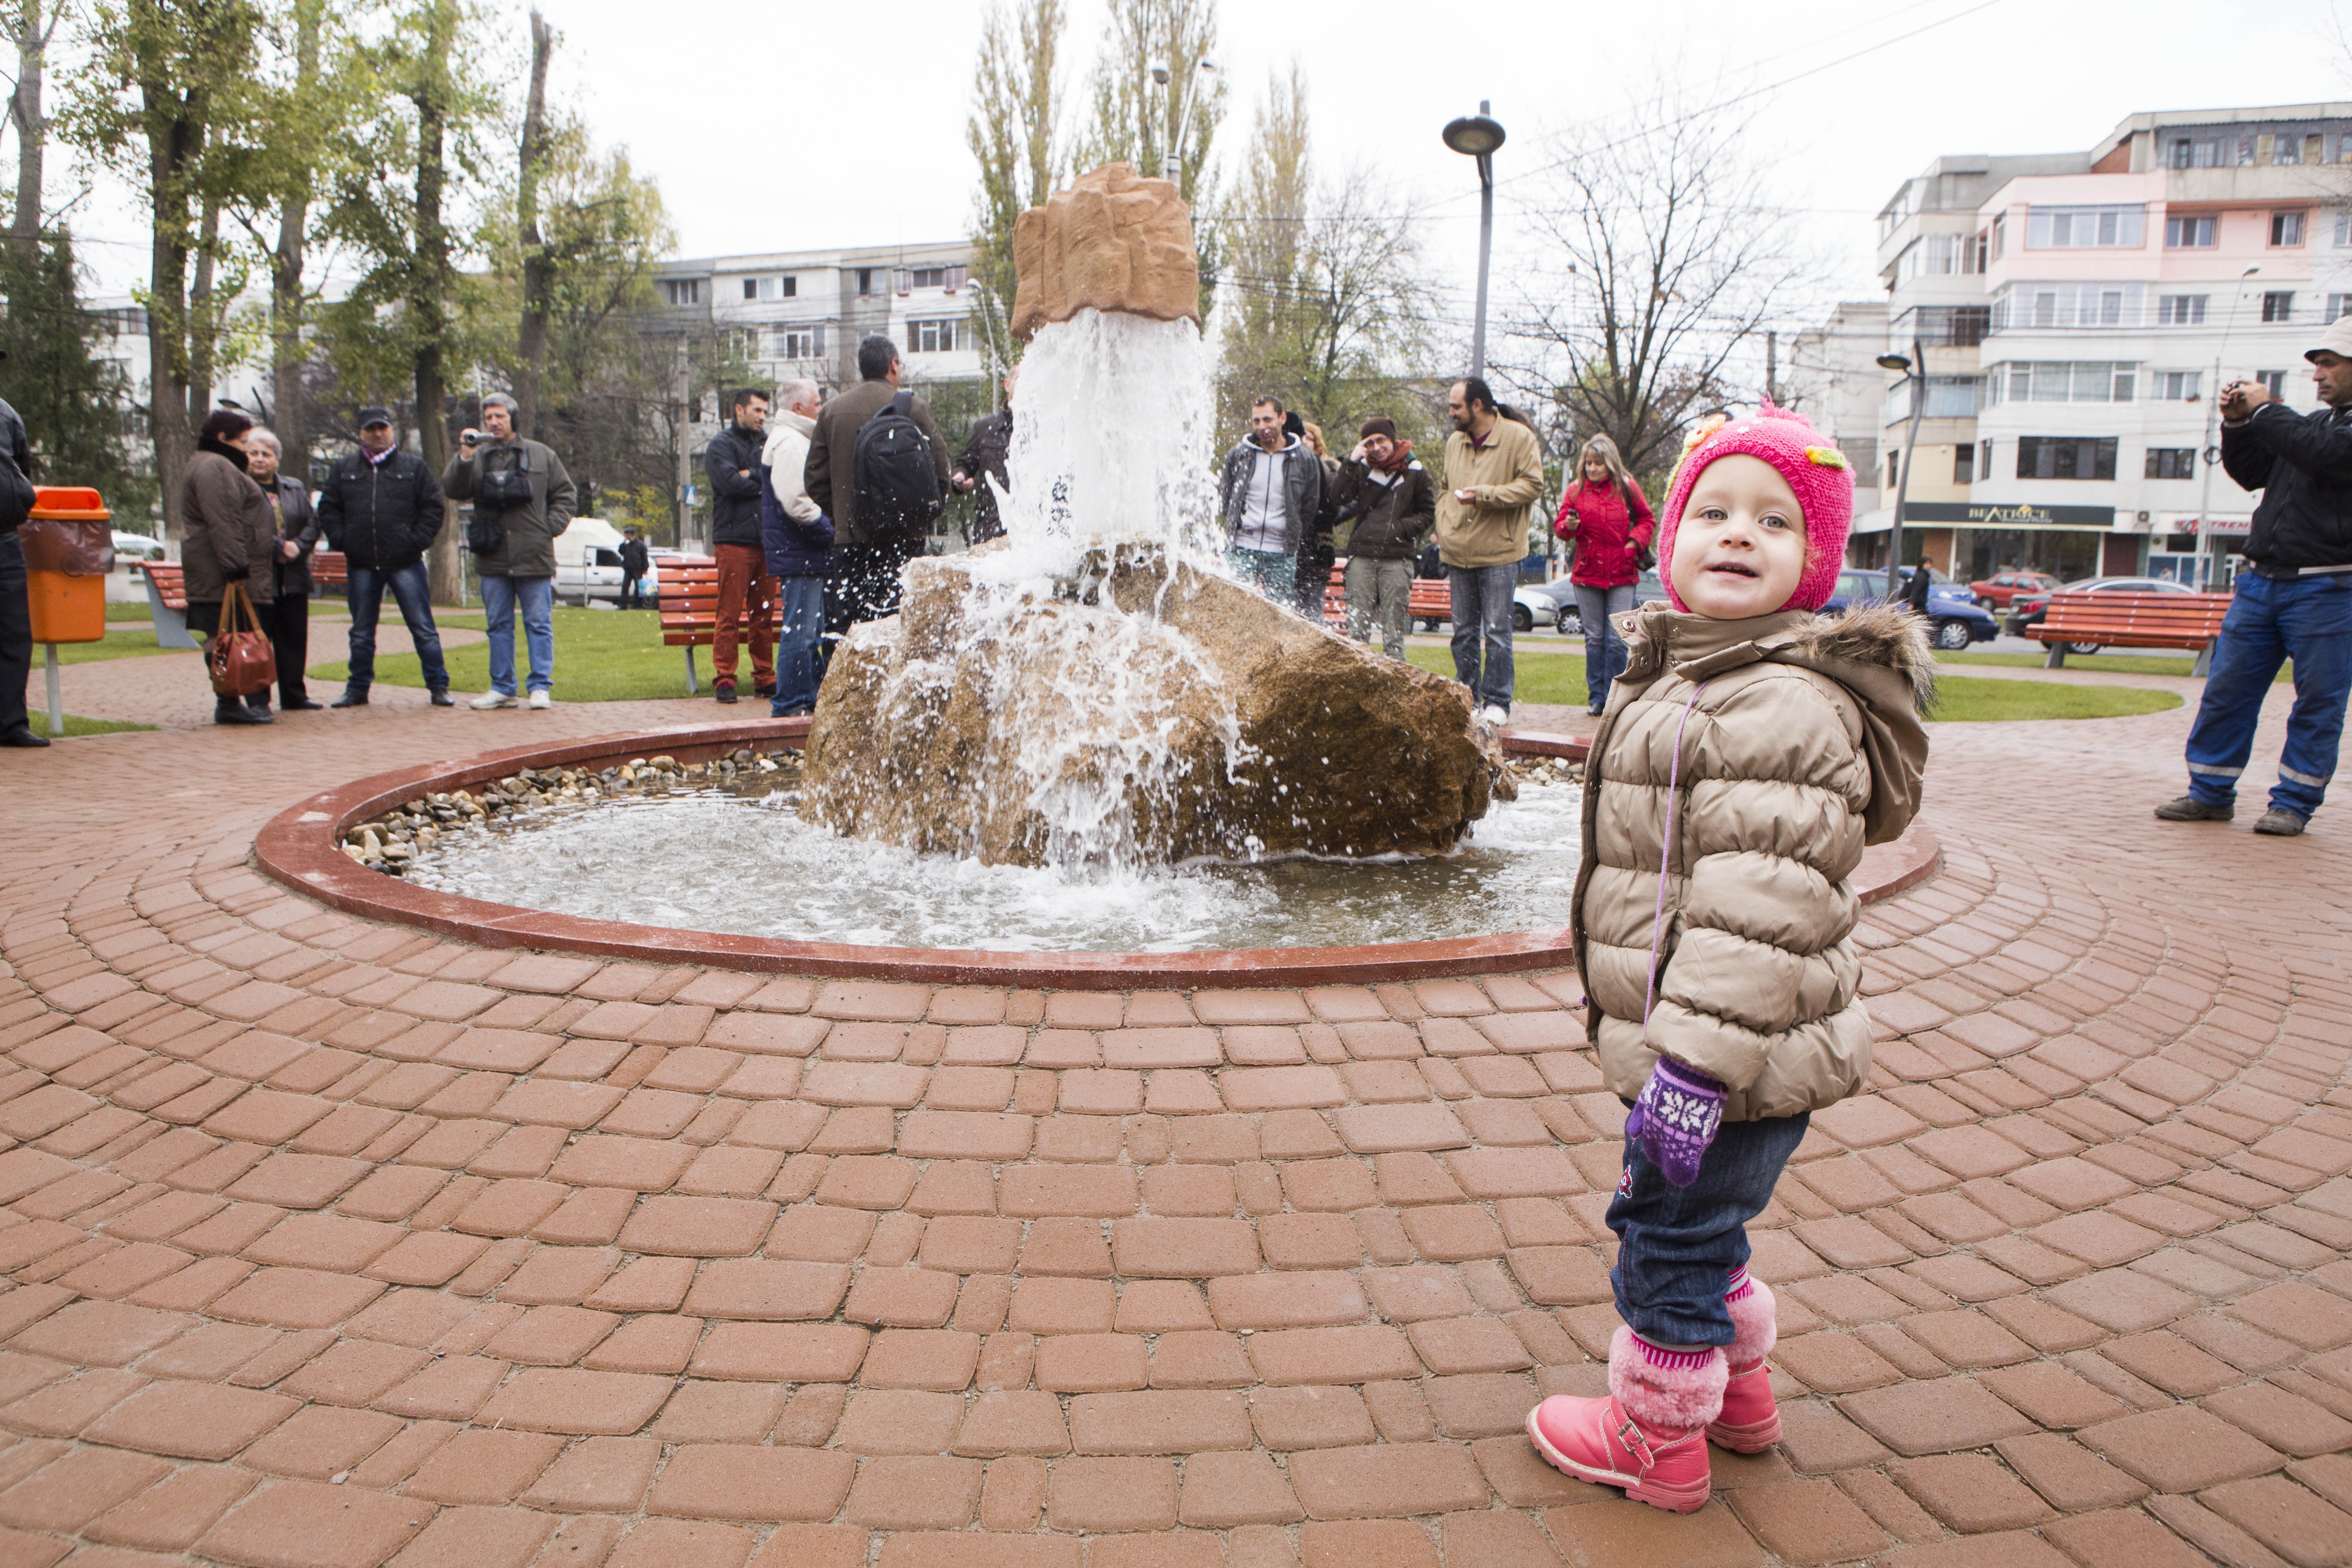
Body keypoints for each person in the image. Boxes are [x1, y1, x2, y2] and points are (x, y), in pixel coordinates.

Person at [1524, 404, 1929, 1513]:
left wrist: (1693, 1073)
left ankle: (1655, 1438)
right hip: (1729, 1047)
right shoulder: (1697, 674)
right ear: (1669, 541)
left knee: (1662, 1236)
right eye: (1710, 511)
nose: (1735, 534)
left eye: (1772, 521)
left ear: (1815, 563)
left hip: (1722, 1056)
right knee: (1707, 1226)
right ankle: (1737, 1397)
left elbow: (1759, 909)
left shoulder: (1779, 707)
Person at [2157, 316, 2352, 838]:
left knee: (2318, 701)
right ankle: (2210, 793)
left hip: (2329, 587)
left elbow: (2328, 458)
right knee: (2228, 690)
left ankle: (2294, 802)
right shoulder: (2315, 425)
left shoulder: (2325, 436)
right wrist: (2240, 425)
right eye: (2317, 367)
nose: (2318, 376)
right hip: (2261, 582)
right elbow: (2252, 474)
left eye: (2330, 364)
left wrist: (2266, 409)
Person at [805, 334, 950, 639]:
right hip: (905, 540)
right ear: (893, 365)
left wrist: (843, 517)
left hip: (851, 541)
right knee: (901, 631)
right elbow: (941, 474)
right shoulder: (914, 407)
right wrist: (918, 519)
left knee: (848, 633)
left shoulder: (832, 411)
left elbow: (815, 480)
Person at [443, 392, 577, 710]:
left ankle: (540, 686)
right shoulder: (476, 456)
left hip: (534, 555)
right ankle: (502, 687)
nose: (494, 422)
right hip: (493, 555)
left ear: (513, 419)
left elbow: (566, 495)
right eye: (489, 417)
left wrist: (548, 528)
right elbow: (453, 489)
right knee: (498, 624)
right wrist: (463, 456)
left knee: (538, 622)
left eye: (500, 416)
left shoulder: (542, 455)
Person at [316, 407, 454, 707]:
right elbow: (328, 508)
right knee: (362, 631)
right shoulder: (343, 469)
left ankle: (438, 686)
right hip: (362, 562)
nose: (378, 434)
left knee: (423, 628)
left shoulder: (414, 468)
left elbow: (433, 508)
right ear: (361, 433)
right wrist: (343, 540)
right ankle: (357, 689)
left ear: (392, 430)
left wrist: (416, 541)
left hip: (405, 561)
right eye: (371, 429)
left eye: (383, 428)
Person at [1437, 376, 1545, 723]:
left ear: (1477, 405)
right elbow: (1444, 487)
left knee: (1497, 631)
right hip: (1458, 551)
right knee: (1463, 632)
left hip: (1500, 553)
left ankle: (1497, 702)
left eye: (1456, 406)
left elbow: (1532, 485)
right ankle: (1466, 695)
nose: (1451, 412)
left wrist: (1484, 495)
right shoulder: (1455, 442)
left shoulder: (1518, 438)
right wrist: (1444, 522)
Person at [181, 408, 281, 726]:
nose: (246, 449)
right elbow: (224, 521)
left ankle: (233, 700)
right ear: (222, 439)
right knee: (232, 635)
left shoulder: (210, 463)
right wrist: (236, 568)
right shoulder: (215, 466)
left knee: (225, 635)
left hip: (216, 568)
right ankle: (237, 700)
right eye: (242, 441)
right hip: (223, 572)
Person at [1554, 434, 1656, 716]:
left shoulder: (1626, 487)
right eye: (1588, 463)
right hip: (1588, 573)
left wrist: (1633, 544)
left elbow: (1647, 519)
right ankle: (1597, 697)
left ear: (1610, 463)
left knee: (1616, 638)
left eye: (1598, 463)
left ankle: (1616, 696)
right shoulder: (1576, 491)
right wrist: (1570, 526)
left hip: (1622, 570)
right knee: (1595, 639)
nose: (1593, 469)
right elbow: (1560, 528)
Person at [1329, 416, 1434, 659]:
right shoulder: (1362, 469)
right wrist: (1352, 461)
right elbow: (1338, 497)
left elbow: (1428, 513)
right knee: (1357, 633)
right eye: (1370, 442)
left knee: (1394, 633)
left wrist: (1400, 529)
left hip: (1397, 559)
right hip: (1362, 557)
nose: (1376, 447)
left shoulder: (1416, 471)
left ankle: (1395, 688)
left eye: (1381, 440)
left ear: (1392, 440)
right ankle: (1357, 686)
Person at [760, 379, 833, 717]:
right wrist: (827, 530)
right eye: (817, 403)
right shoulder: (790, 444)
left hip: (798, 550)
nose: (821, 409)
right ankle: (790, 703)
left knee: (808, 631)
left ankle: (810, 697)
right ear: (799, 408)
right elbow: (796, 502)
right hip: (801, 550)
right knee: (801, 633)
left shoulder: (791, 439)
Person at [244, 429, 324, 711]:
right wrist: (279, 547)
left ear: (277, 460)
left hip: (293, 576)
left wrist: (298, 547)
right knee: (258, 639)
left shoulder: (294, 488)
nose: (260, 459)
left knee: (293, 637)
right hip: (259, 577)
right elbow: (244, 528)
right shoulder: (241, 488)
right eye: (254, 453)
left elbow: (313, 523)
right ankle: (258, 700)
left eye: (266, 454)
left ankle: (294, 695)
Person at [707, 388, 776, 704]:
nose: (763, 417)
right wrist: (758, 480)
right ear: (739, 410)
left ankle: (765, 677)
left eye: (765, 411)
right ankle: (725, 678)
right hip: (733, 540)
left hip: (766, 540)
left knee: (764, 614)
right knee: (730, 613)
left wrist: (751, 475)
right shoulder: (720, 445)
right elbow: (728, 484)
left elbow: (778, 480)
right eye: (757, 410)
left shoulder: (769, 444)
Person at [1218, 395, 1321, 605]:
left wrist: (1293, 529)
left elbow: (1310, 505)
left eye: (1267, 420)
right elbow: (1226, 498)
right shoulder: (1238, 455)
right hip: (1242, 546)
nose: (1262, 427)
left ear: (1282, 418)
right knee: (1235, 608)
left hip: (1281, 551)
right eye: (1257, 421)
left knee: (1279, 613)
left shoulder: (1304, 459)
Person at [0, 373, 44, 748]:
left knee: (15, 634)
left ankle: (11, 723)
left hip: (4, 538)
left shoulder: (7, 415)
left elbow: (21, 468)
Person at [952, 369, 1017, 545]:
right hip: (991, 526)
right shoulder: (986, 428)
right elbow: (966, 463)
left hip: (1031, 528)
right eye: (1020, 379)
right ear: (1007, 384)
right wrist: (961, 477)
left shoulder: (1042, 428)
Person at [1292, 420, 1342, 619]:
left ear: (1317, 444)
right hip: (1294, 550)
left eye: (1309, 438)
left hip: (1317, 549)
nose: (1304, 441)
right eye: (1301, 436)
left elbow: (1336, 507)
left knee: (1312, 610)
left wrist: (1326, 520)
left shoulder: (1327, 470)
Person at [618, 525, 650, 610]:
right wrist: (623, 543)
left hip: (637, 570)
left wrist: (645, 569)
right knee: (625, 587)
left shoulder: (640, 545)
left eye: (626, 535)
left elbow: (644, 557)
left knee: (638, 588)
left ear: (630, 535)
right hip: (628, 570)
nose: (625, 536)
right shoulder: (627, 545)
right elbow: (621, 551)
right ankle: (623, 605)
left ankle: (638, 605)